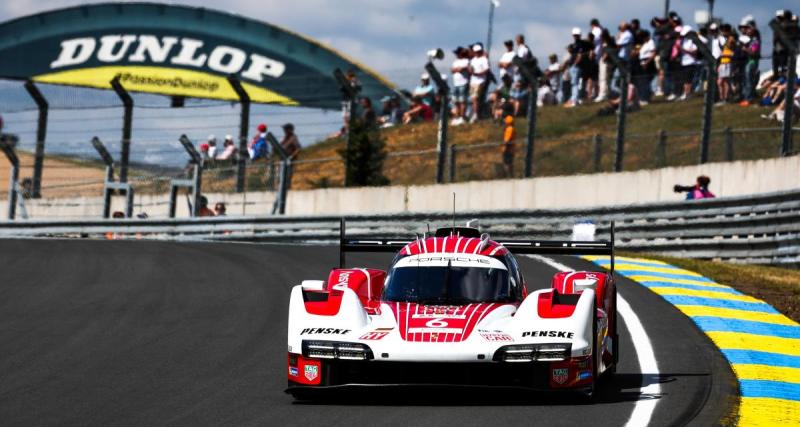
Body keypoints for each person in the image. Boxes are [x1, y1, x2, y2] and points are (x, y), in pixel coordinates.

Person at [469, 44, 490, 122]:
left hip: (480, 81)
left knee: (475, 98)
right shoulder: (473, 59)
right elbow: (470, 67)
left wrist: (479, 74)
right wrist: (470, 70)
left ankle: (476, 114)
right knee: (473, 98)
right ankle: (476, 114)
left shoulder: (484, 59)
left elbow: (486, 69)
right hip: (473, 81)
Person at [450, 46, 470, 125]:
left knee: (462, 101)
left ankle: (462, 117)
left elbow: (464, 69)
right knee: (456, 101)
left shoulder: (466, 61)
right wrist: (458, 69)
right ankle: (457, 117)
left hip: (463, 83)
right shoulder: (455, 62)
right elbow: (452, 70)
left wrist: (459, 69)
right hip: (456, 84)